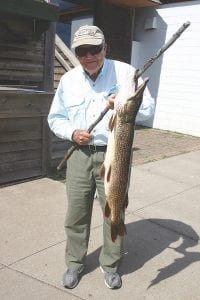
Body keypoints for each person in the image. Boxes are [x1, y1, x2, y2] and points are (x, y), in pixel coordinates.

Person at [48, 24, 154, 290]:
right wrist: (73, 133)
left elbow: (148, 109)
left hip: (114, 154)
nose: (89, 55)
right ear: (76, 52)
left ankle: (111, 265)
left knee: (114, 211)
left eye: (94, 49)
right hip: (80, 156)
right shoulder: (69, 80)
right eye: (82, 50)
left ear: (105, 47)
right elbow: (55, 118)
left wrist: (126, 101)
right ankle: (74, 263)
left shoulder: (127, 73)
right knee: (76, 214)